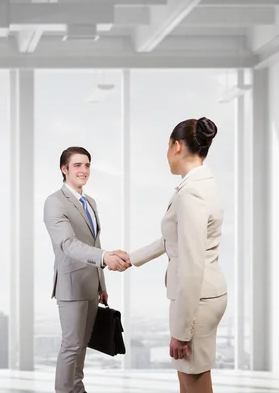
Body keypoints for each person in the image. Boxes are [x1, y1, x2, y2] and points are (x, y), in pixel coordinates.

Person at [128, 117, 228, 393]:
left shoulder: (191, 193)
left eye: (167, 148)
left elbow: (192, 265)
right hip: (207, 295)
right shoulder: (203, 184)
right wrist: (132, 258)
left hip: (197, 300)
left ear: (176, 146)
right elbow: (173, 239)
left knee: (193, 383)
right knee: (189, 381)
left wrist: (181, 334)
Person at [43, 146, 131, 393]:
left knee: (82, 346)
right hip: (71, 286)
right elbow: (68, 244)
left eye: (87, 165)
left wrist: (102, 285)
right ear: (64, 169)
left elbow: (95, 242)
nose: (84, 170)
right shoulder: (54, 202)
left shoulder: (89, 202)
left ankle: (77, 390)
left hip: (91, 286)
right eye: (77, 165)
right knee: (71, 346)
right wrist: (104, 258)